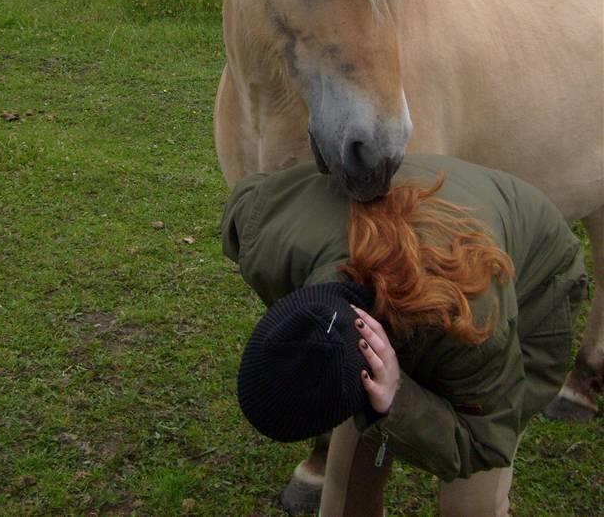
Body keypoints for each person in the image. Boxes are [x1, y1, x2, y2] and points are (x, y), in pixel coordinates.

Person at [222, 155, 587, 517]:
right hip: (436, 197)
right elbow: (244, 201)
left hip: (533, 279)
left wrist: (397, 398)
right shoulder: (263, 229)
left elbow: (485, 440)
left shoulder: (470, 325)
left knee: (471, 501)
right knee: (349, 473)